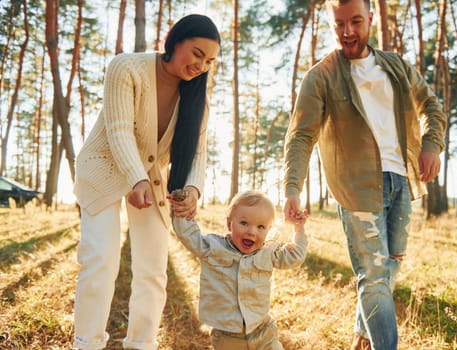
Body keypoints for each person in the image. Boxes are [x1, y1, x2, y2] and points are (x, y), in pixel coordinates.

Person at [282, 1, 447, 349]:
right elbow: (300, 135)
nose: (348, 32)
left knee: (390, 267)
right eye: (339, 24)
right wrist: (293, 186)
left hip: (400, 179)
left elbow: (430, 104)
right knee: (373, 277)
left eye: (356, 21)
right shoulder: (321, 76)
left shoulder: (396, 66)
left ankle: (362, 334)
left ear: (371, 18)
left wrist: (431, 143)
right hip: (356, 188)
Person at [72, 14, 221, 350]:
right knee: (101, 260)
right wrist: (135, 177)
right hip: (104, 169)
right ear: (175, 40)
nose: (201, 65)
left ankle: (141, 344)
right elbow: (119, 129)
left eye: (209, 61)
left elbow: (198, 152)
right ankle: (87, 343)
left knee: (153, 271)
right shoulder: (126, 68)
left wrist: (193, 189)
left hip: (150, 181)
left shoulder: (198, 100)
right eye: (197, 53)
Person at [170, 190, 308, 350]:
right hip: (227, 337)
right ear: (230, 224)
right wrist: (181, 207)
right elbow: (189, 235)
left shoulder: (268, 253)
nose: (251, 231)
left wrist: (299, 228)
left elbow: (295, 256)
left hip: (263, 331)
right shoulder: (213, 248)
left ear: (268, 230)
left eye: (261, 227)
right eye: (244, 223)